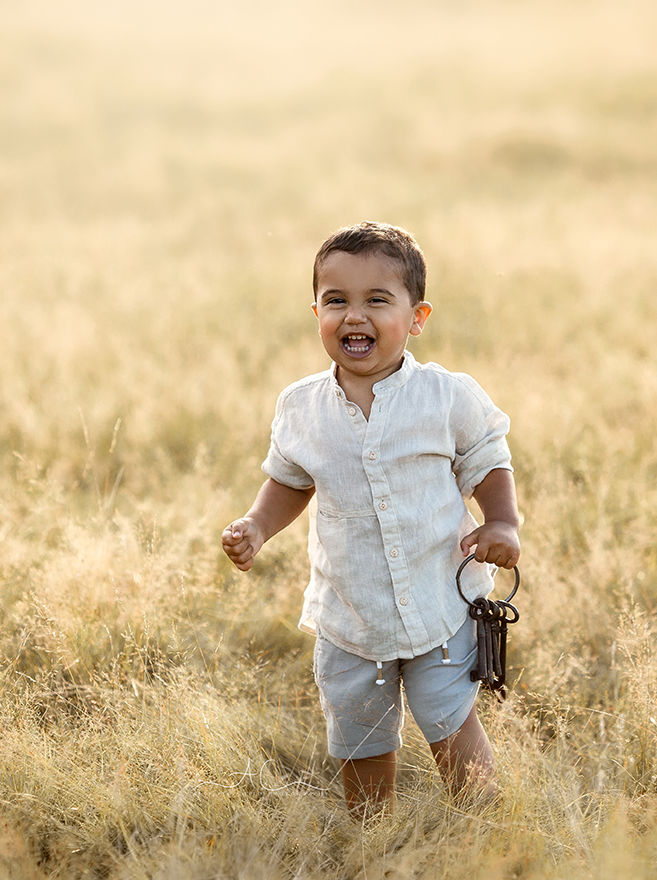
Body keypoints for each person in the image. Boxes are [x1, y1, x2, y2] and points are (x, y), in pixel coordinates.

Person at [221, 221, 521, 818]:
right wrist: (256, 524)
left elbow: (487, 460)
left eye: (377, 300)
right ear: (316, 313)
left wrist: (502, 522)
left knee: (452, 726)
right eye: (337, 301)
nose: (354, 316)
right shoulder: (300, 406)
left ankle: (484, 826)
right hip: (350, 617)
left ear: (417, 317)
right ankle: (373, 830)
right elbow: (289, 478)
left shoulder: (445, 396)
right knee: (359, 738)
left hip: (438, 604)